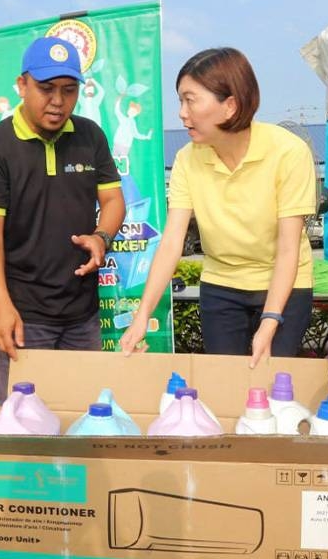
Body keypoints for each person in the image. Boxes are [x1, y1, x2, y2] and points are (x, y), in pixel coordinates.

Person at [119, 47, 316, 367]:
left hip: (285, 286)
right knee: (227, 383)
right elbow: (171, 244)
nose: (182, 113)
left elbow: (288, 248)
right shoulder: (186, 158)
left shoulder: (288, 152)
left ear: (230, 105)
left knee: (271, 382)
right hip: (221, 286)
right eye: (180, 101)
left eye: (190, 99)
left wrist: (270, 319)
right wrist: (142, 316)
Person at [0, 36, 126, 405]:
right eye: (46, 88)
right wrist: (1, 306)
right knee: (25, 424)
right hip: (24, 316)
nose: (58, 101)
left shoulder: (90, 136)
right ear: (22, 85)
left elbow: (113, 199)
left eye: (69, 90)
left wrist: (102, 236)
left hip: (82, 314)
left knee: (84, 415)